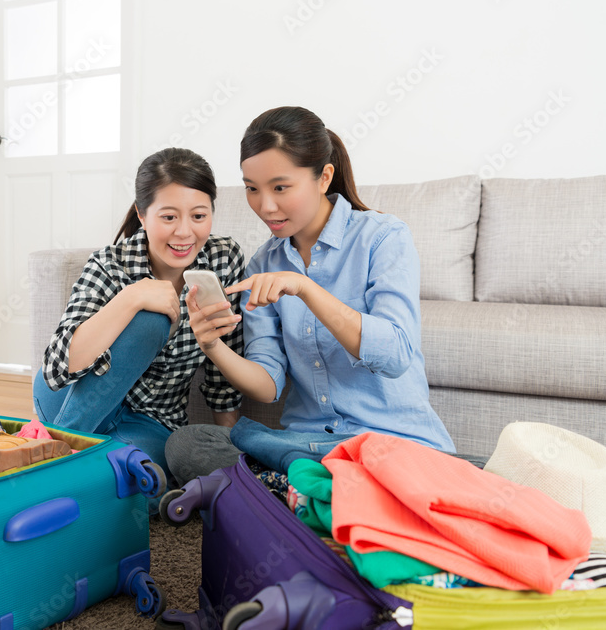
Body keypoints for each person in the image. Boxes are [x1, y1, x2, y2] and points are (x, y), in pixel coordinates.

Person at [165, 106, 455, 485]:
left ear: (324, 177)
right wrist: (213, 346)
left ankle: (293, 492)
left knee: (388, 471)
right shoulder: (262, 263)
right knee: (188, 444)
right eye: (252, 188)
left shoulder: (383, 237)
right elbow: (268, 386)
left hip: (389, 443)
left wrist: (306, 289)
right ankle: (319, 493)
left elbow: (397, 355)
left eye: (280, 187)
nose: (265, 206)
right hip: (307, 445)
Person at [33, 147, 245, 477]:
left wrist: (230, 449)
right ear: (142, 215)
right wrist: (130, 298)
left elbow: (225, 364)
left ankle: (48, 455)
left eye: (199, 216)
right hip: (71, 397)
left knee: (138, 480)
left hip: (150, 420)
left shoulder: (223, 259)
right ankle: (59, 459)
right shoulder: (110, 263)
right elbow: (58, 368)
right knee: (149, 320)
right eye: (169, 217)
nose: (185, 232)